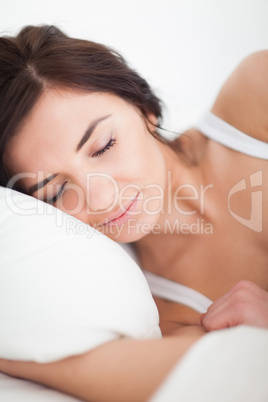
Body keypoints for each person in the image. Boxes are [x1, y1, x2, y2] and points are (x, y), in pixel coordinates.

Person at [0, 24, 267, 401]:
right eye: (58, 191)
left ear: (145, 108)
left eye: (104, 145)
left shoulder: (256, 98)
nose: (101, 197)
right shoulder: (171, 315)